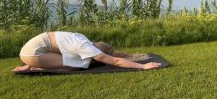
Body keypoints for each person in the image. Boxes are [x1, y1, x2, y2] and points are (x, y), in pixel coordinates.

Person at [13, 31, 161, 72]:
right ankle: (34, 64)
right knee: (74, 67)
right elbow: (115, 61)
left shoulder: (80, 38)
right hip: (33, 54)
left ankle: (30, 64)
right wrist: (142, 66)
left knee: (74, 60)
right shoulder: (86, 48)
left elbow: (39, 44)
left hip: (27, 51)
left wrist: (26, 64)